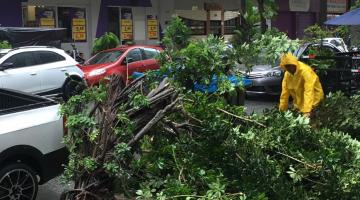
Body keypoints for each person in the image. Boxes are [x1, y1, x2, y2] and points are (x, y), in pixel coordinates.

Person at [279, 53, 324, 117]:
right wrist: (282, 110)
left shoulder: (305, 71)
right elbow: (284, 93)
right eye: (286, 66)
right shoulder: (287, 75)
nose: (288, 68)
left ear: (293, 63)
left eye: (289, 65)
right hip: (300, 105)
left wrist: (307, 111)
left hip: (314, 102)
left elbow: (309, 91)